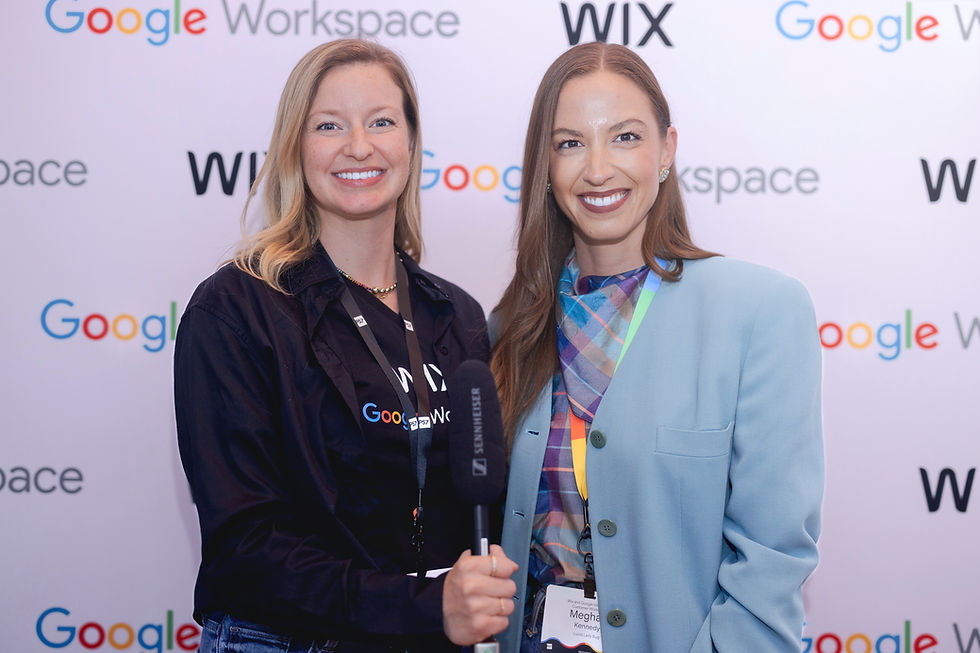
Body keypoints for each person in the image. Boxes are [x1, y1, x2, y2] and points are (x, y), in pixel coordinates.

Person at [174, 39, 517, 653]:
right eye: (329, 125)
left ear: (410, 143)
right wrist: (422, 605)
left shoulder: (455, 315)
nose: (358, 146)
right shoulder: (236, 310)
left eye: (381, 121)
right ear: (295, 148)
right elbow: (244, 548)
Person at [490, 42, 823, 652]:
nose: (597, 169)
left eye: (624, 137)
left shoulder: (757, 311)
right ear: (544, 165)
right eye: (569, 143)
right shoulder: (510, 326)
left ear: (666, 150)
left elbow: (772, 559)